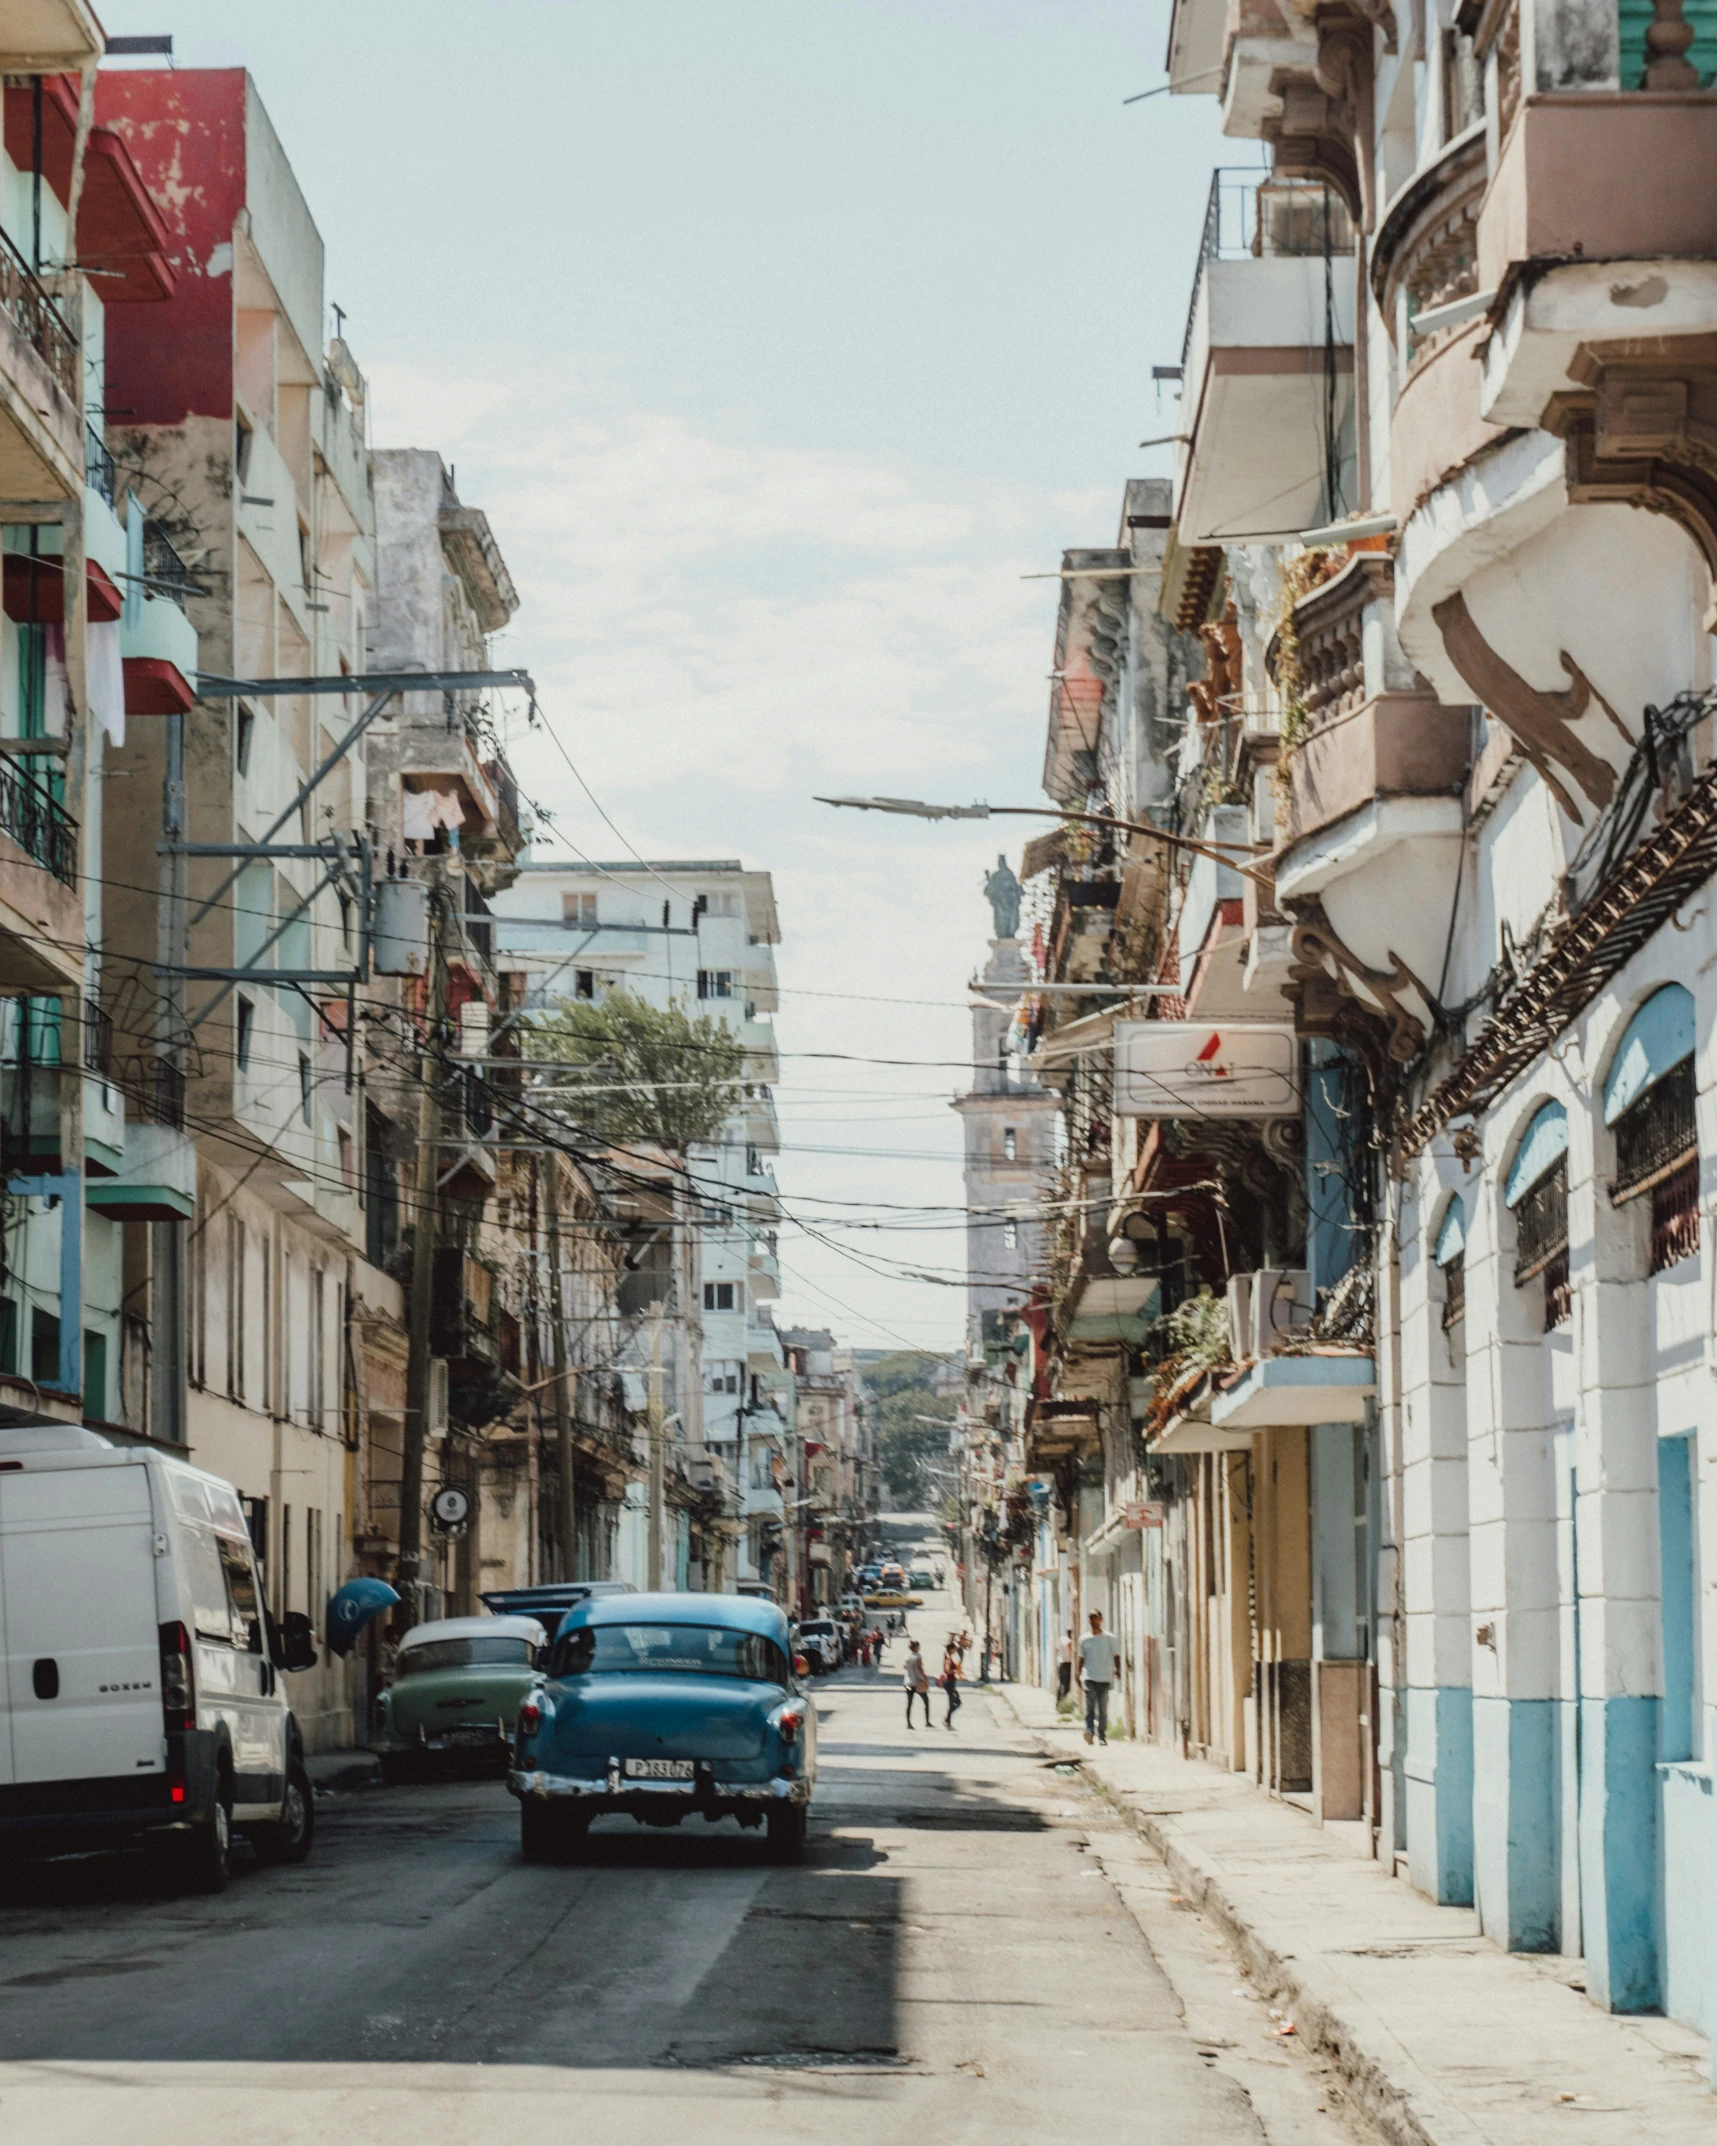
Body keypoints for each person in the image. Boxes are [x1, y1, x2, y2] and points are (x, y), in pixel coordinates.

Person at [1078, 1609, 1120, 1746]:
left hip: (1105, 1677)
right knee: (1090, 1707)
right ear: (1089, 1620)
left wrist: (1117, 1670)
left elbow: (1116, 1655)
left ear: (1101, 1620)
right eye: (1091, 1618)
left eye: (1096, 1618)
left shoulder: (1110, 1638)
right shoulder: (1084, 1639)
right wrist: (1079, 1674)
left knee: (1102, 1708)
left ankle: (1102, 1735)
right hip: (1089, 1676)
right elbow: (1081, 1658)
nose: (1093, 1621)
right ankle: (1090, 1731)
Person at [904, 1639, 932, 1728]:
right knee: (926, 1701)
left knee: (909, 1703)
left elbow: (905, 1667)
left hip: (908, 1683)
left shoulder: (908, 1657)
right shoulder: (917, 1656)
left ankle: (908, 1723)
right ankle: (927, 1722)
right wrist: (925, 1678)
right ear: (916, 1647)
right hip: (917, 1683)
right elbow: (920, 1668)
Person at [940, 1640, 962, 1730]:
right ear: (951, 1649)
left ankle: (947, 1720)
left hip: (951, 1682)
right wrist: (955, 1670)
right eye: (954, 1648)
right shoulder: (948, 1658)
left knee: (956, 1701)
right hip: (949, 1682)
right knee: (954, 1702)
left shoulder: (948, 1656)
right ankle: (947, 1721)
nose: (955, 1650)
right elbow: (947, 1670)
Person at [1056, 1630, 1073, 1703]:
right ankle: (1062, 1701)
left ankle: (1058, 1701)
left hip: (1060, 1663)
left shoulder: (1062, 1639)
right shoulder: (1069, 1642)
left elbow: (1057, 1648)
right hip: (1067, 1664)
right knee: (1067, 1686)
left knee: (1061, 1683)